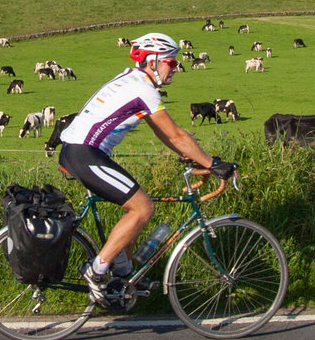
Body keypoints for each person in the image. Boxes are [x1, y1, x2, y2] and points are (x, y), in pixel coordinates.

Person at [55, 32, 226, 307]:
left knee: (134, 207)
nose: (176, 68)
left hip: (80, 151)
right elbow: (175, 134)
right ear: (154, 61)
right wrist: (212, 163)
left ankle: (123, 275)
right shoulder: (142, 88)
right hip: (84, 153)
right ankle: (96, 270)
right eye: (171, 62)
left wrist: (194, 157)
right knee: (143, 208)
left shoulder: (133, 80)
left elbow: (165, 134)